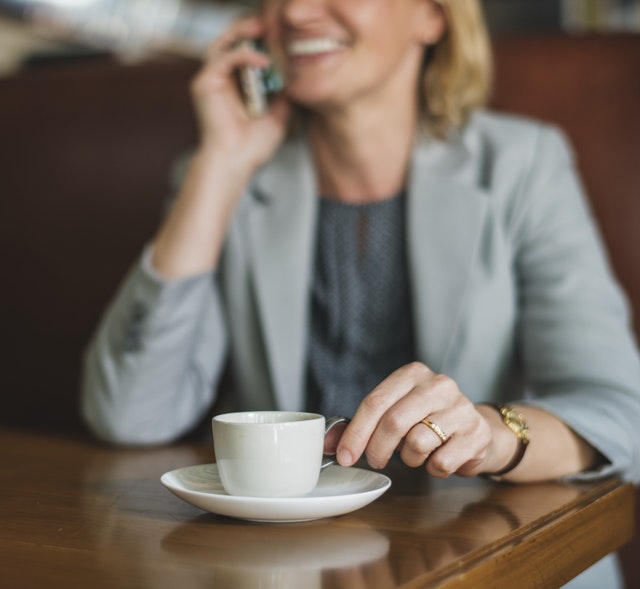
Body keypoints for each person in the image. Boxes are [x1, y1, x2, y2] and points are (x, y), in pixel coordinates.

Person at [82, 1, 640, 585]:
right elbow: (129, 414)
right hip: (292, 563)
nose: (295, 12)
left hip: (484, 554)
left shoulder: (524, 164)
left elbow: (616, 414)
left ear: (432, 17)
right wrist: (220, 162)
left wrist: (491, 434)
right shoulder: (232, 177)